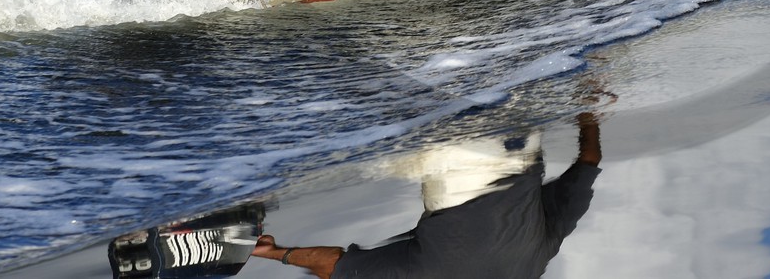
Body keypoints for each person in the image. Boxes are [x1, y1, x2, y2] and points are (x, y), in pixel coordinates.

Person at [249, 113, 602, 277]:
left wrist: (589, 110)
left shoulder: (537, 260)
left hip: (522, 137)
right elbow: (334, 265)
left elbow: (589, 160)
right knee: (371, 147)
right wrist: (275, 252)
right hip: (455, 157)